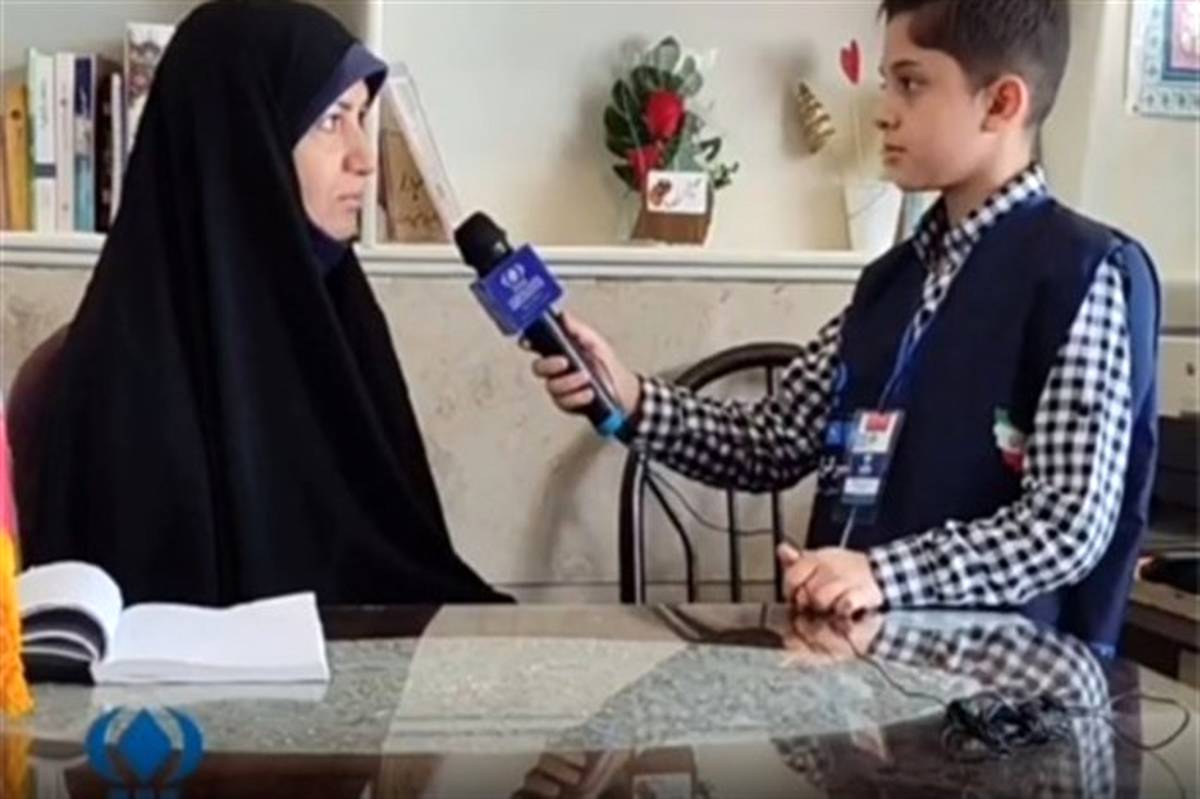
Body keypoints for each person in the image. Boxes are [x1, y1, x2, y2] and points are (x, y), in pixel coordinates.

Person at [533, 0, 1159, 653]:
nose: (883, 110)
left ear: (1001, 103)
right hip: (857, 677)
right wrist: (630, 395)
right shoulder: (891, 284)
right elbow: (773, 439)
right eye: (887, 82)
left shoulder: (1083, 276)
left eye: (911, 83)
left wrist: (880, 573)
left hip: (1005, 690)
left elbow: (1064, 525)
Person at [21, 0, 506, 605]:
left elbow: (400, 567)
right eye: (332, 120)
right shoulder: (120, 379)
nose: (363, 158)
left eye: (361, 117)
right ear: (244, 138)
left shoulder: (344, 321)